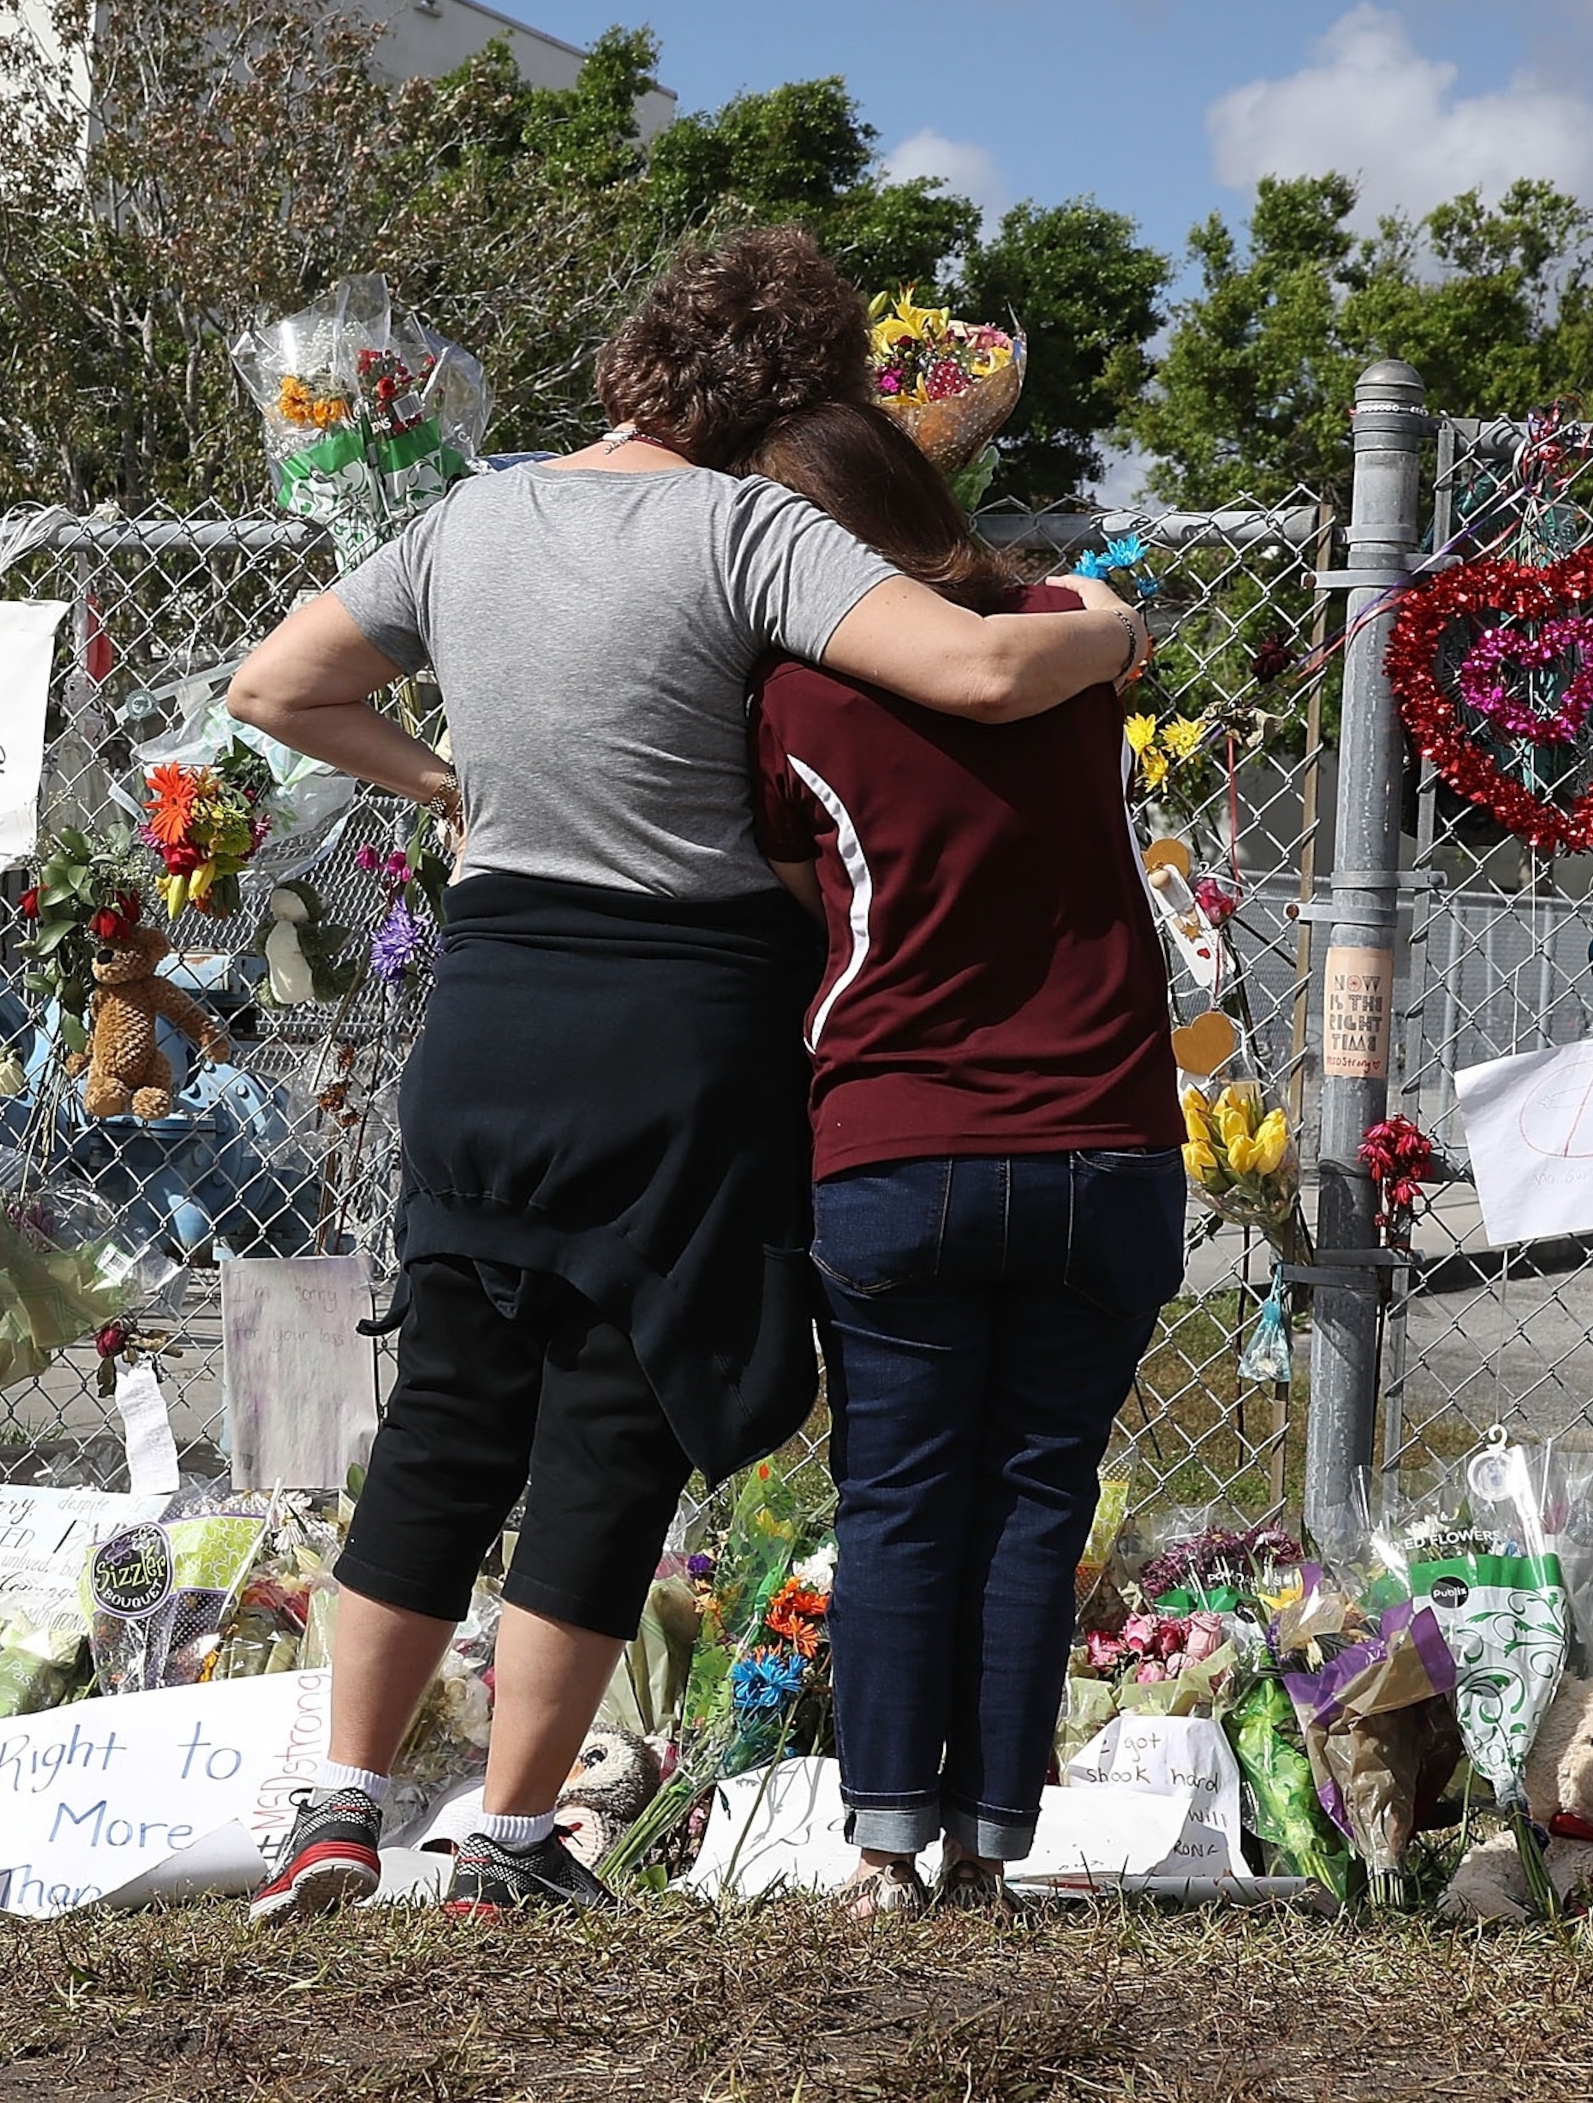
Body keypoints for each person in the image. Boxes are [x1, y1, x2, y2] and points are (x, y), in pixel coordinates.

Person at [221, 229, 1148, 1918]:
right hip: (685, 1023)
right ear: (798, 396)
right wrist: (1109, 632)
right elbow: (981, 670)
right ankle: (506, 1838)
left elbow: (276, 686)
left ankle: (339, 1807)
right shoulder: (754, 527)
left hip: (496, 1004)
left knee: (443, 1408)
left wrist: (447, 788)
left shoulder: (472, 514)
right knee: (611, 1416)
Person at [742, 397, 1186, 1919]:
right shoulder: (1067, 632)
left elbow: (816, 897)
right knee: (1036, 1494)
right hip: (1108, 1139)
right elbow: (1113, 621)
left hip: (898, 1139)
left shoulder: (792, 692)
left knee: (900, 1496)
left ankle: (883, 1851)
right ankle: (992, 1849)